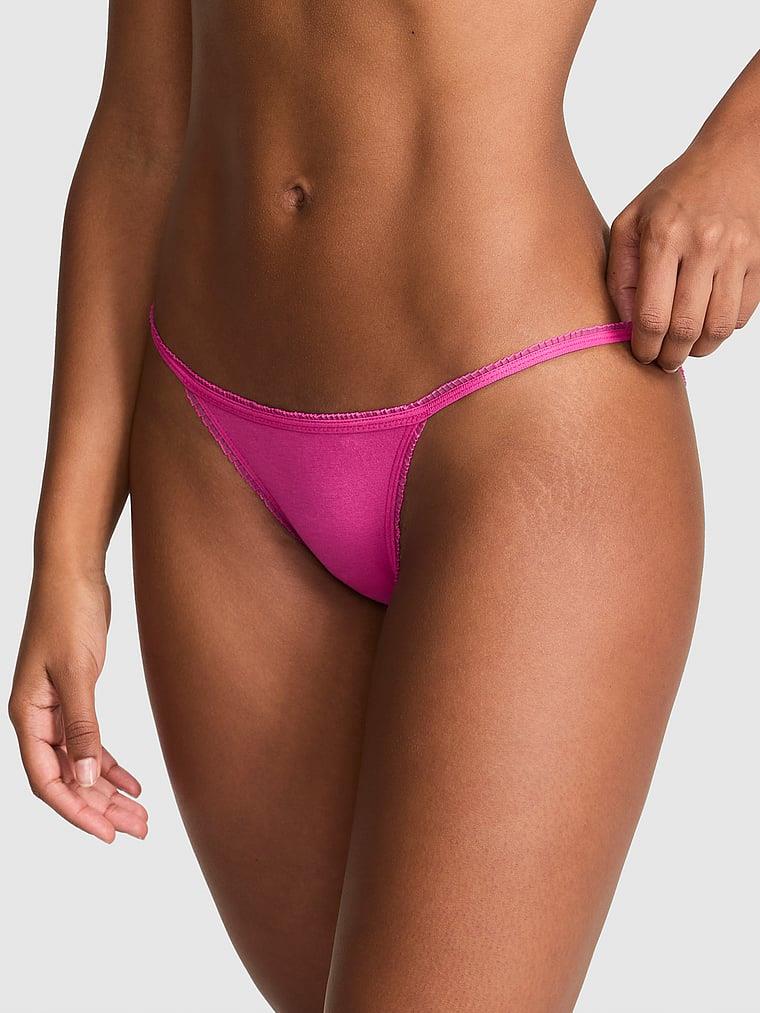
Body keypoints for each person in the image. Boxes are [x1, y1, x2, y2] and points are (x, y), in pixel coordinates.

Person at [8, 3, 759, 1010]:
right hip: (212, 452)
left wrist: (742, 153)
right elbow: (142, 127)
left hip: (519, 424)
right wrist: (66, 554)